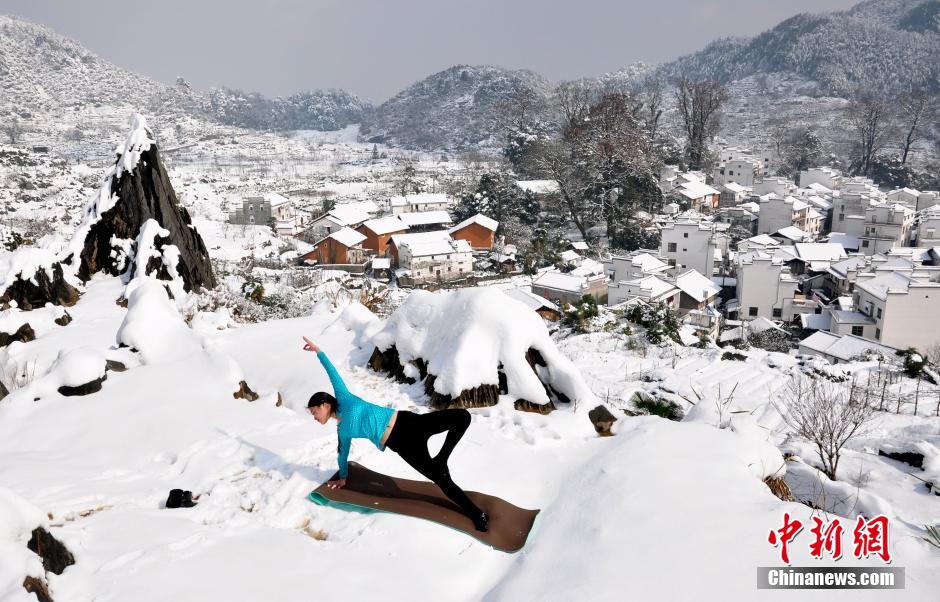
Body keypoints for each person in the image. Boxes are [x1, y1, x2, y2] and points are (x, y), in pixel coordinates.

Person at [302, 336, 489, 532]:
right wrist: (343, 476)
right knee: (441, 479)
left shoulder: (344, 398)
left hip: (408, 422)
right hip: (401, 444)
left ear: (324, 404)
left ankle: (442, 458)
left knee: (462, 417)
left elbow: (332, 373)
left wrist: (318, 352)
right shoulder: (343, 431)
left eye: (314, 412)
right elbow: (342, 454)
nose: (314, 417)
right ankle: (477, 514)